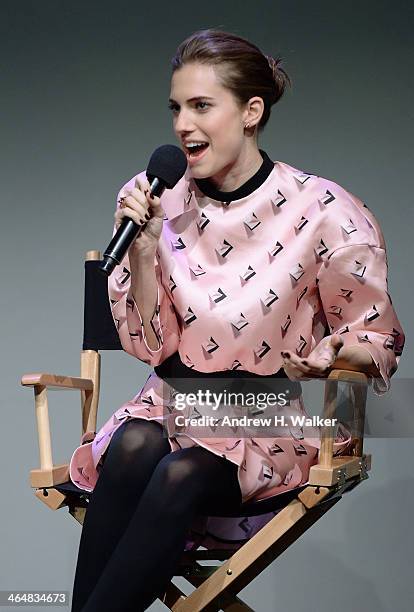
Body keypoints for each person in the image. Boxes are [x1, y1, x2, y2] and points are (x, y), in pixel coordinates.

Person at [69, 28, 405, 612]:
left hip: (268, 421)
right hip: (173, 405)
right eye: (176, 107)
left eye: (202, 106)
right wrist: (145, 251)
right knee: (132, 446)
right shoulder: (156, 201)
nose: (182, 125)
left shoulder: (322, 210)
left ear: (252, 112)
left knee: (178, 473)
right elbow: (151, 347)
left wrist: (335, 355)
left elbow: (376, 338)